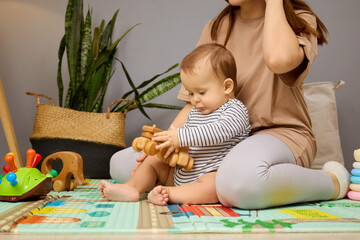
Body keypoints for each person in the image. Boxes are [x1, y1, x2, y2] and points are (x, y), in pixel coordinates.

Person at [109, 0, 350, 209]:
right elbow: (193, 102)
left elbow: (278, 60)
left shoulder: (298, 20)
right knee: (122, 165)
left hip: (278, 134)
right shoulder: (217, 27)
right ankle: (210, 183)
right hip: (217, 144)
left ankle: (331, 181)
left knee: (239, 183)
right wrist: (169, 143)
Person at [100, 43, 251, 205]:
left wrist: (179, 136)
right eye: (191, 93)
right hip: (180, 172)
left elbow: (219, 131)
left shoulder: (235, 109)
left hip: (209, 174)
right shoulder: (196, 111)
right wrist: (167, 147)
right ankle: (132, 188)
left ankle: (169, 193)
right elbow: (184, 143)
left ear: (227, 87)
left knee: (213, 186)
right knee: (153, 161)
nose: (194, 99)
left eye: (201, 92)